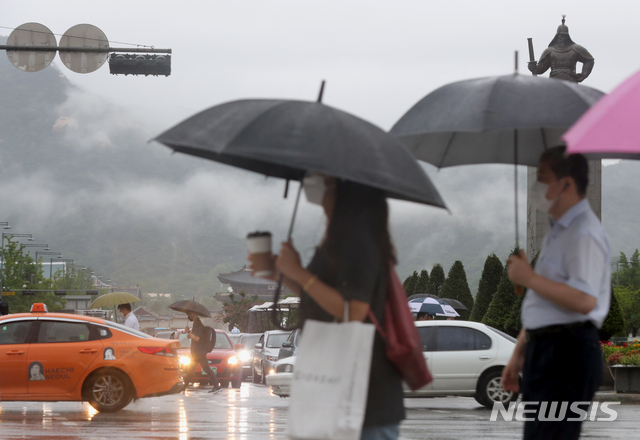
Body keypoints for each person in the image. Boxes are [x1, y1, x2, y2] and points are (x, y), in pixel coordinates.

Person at [253, 174, 405, 440]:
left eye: (330, 184)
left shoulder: (360, 245)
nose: (319, 188)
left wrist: (299, 272)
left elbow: (353, 311)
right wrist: (281, 273)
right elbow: (316, 295)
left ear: (348, 196)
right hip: (337, 384)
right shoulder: (335, 243)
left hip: (364, 394)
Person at [502, 146, 610, 440]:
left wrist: (530, 278)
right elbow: (545, 304)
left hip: (567, 352)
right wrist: (518, 354)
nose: (538, 186)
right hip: (547, 350)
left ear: (566, 183)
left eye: (543, 177)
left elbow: (585, 300)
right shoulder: (559, 233)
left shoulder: (584, 234)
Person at [527, 16, 594, 83]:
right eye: (560, 36)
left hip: (571, 81)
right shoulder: (549, 51)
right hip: (554, 82)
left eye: (564, 36)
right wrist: (534, 68)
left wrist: (583, 75)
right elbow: (540, 69)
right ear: (557, 36)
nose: (562, 38)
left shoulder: (575, 49)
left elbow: (589, 60)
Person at [183, 311, 221, 393]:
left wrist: (188, 332)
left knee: (196, 369)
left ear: (192, 314)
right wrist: (190, 335)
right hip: (198, 352)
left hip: (198, 352)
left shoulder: (197, 324)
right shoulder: (196, 323)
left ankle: (217, 385)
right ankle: (216, 385)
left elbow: (197, 338)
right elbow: (197, 337)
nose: (188, 316)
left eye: (188, 314)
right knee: (195, 369)